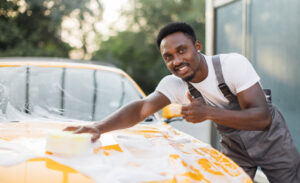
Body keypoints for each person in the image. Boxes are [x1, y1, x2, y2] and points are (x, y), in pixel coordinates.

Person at [64, 22, 300, 182]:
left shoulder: (231, 65)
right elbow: (140, 108)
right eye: (168, 57)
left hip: (272, 142)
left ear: (197, 47)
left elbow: (262, 118)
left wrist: (208, 113)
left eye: (182, 51)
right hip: (236, 148)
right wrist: (99, 127)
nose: (177, 61)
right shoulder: (174, 84)